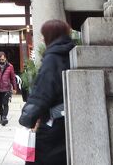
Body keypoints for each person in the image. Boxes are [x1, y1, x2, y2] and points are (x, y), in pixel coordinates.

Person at [19, 20, 74, 165]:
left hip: (52, 122)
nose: (42, 39)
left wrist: (27, 117)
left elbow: (42, 93)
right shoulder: (71, 53)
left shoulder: (53, 58)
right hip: (69, 120)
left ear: (51, 35)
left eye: (44, 35)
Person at [0, 51, 18, 126]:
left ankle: (4, 117)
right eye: (1, 60)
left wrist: (15, 88)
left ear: (5, 58)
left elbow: (13, 78)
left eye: (3, 59)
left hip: (7, 88)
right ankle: (1, 117)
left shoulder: (10, 66)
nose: (2, 61)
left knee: (5, 103)